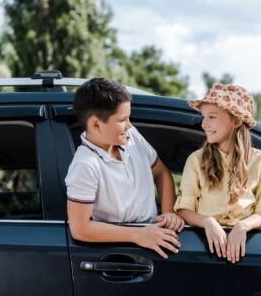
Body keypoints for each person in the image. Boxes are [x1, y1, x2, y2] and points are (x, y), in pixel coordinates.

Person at [65, 77, 185, 259]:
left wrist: (168, 213)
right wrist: (139, 235)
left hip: (153, 238)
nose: (129, 125)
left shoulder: (132, 136)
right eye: (123, 119)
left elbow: (161, 173)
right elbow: (80, 229)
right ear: (95, 124)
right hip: (120, 254)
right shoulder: (85, 165)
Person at [174, 83, 261, 263]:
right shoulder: (196, 160)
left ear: (236, 121)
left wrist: (243, 226)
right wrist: (207, 222)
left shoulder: (260, 160)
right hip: (202, 250)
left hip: (248, 252)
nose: (204, 124)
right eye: (203, 117)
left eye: (211, 117)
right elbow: (184, 209)